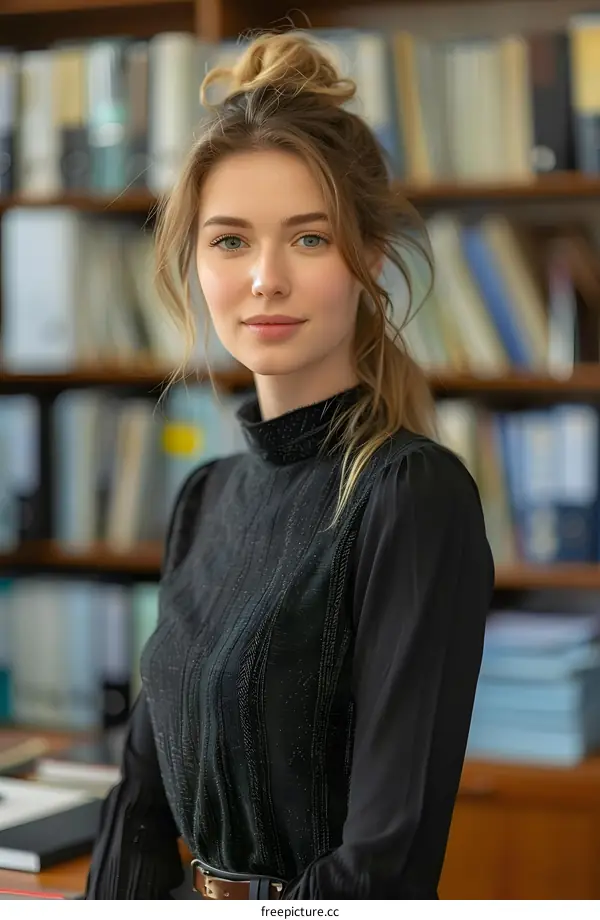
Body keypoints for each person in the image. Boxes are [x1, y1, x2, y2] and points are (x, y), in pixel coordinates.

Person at [85, 29, 494, 900]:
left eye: (308, 239)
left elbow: (384, 865)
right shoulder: (204, 498)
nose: (265, 279)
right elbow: (143, 805)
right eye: (230, 241)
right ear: (195, 261)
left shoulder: (410, 497)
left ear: (368, 255)